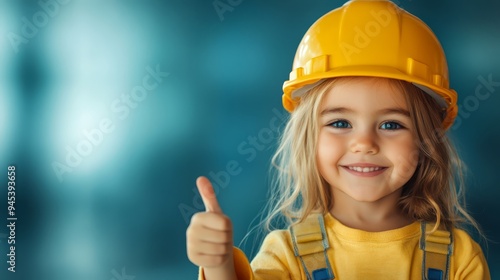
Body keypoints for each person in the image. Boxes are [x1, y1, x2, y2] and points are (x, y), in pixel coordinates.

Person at [186, 0, 491, 279]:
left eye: (391, 124)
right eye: (341, 122)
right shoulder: (286, 256)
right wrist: (218, 266)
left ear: (426, 140)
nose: (364, 143)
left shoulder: (459, 259)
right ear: (309, 138)